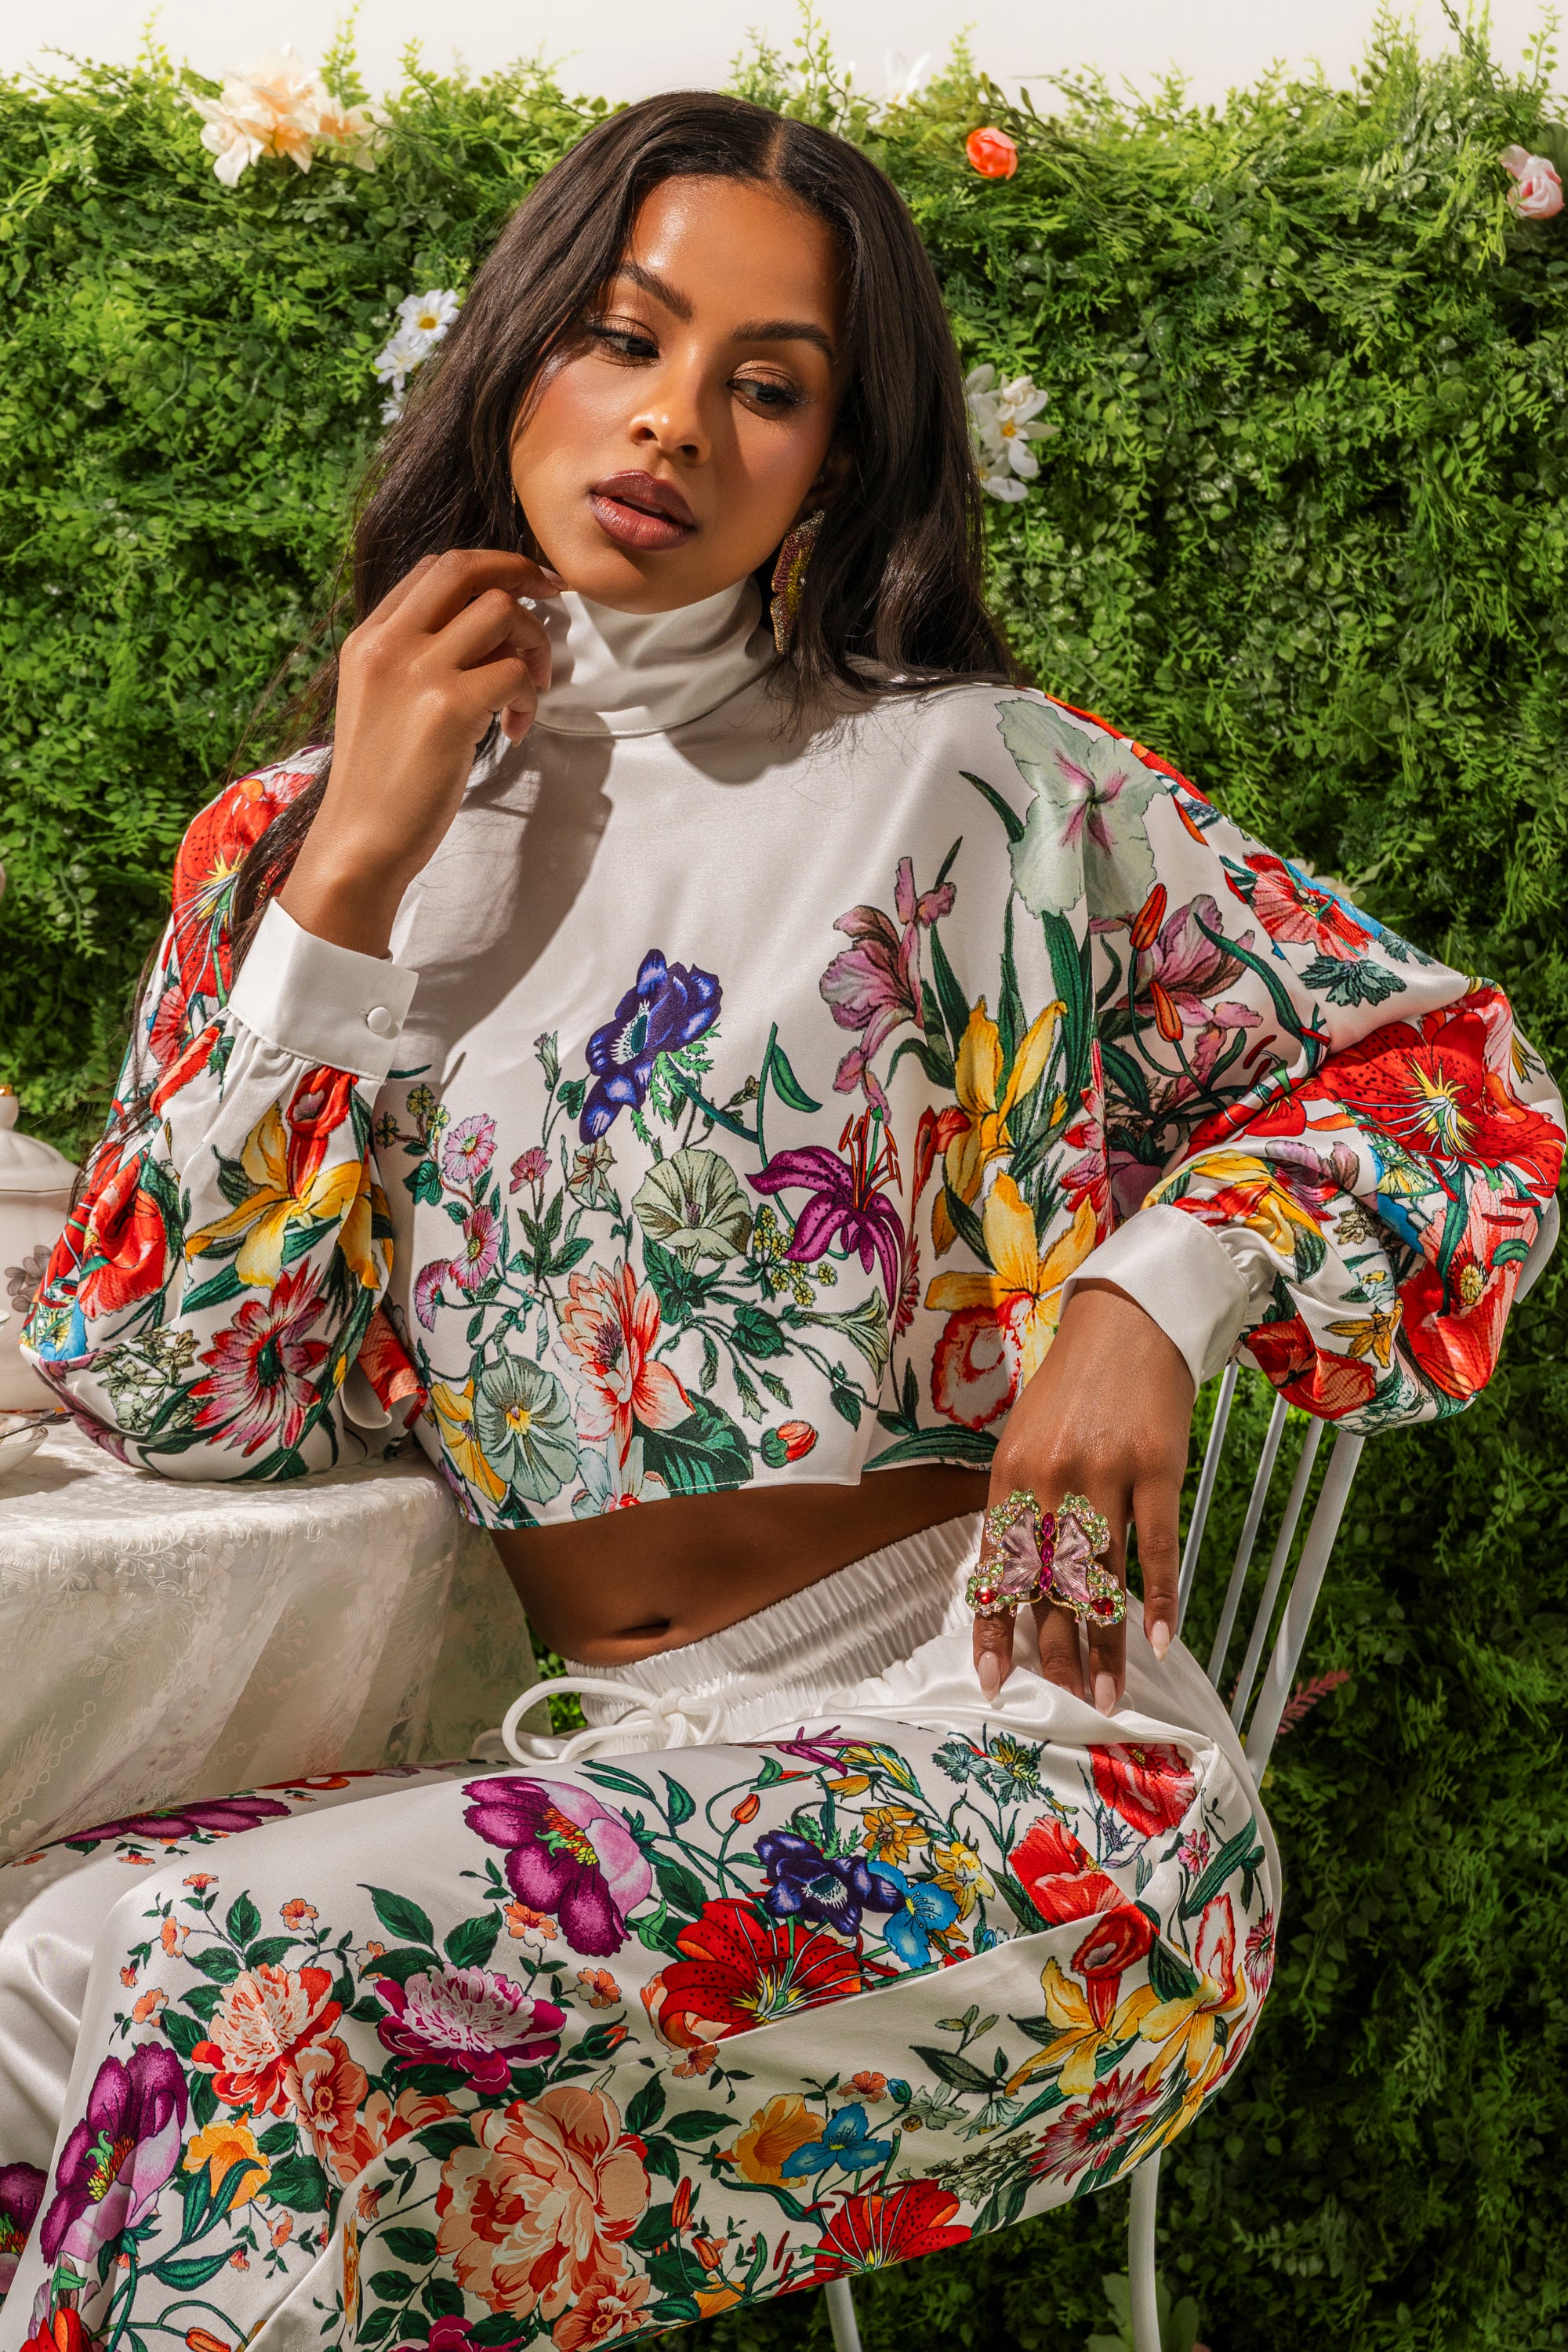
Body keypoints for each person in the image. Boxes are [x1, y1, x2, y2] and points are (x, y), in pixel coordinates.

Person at [1, 91, 1560, 2352]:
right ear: (515, 357)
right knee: (38, 1976)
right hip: (575, 1771)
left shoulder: (972, 785)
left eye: (768, 383)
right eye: (624, 340)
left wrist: (1156, 1286)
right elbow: (188, 1399)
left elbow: (1459, 1079)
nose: (672, 421)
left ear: (838, 461)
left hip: (1018, 1786)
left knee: (236, 1988)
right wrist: (343, 881)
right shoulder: (290, 840)